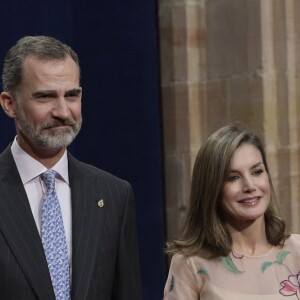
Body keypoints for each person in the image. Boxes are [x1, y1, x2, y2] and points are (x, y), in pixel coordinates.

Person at [0, 35, 142, 300]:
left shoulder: (114, 195)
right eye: (45, 97)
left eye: (72, 95)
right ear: (10, 104)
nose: (63, 111)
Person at [163, 123, 300, 299]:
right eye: (233, 177)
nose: (250, 186)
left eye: (257, 172)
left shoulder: (297, 252)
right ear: (213, 189)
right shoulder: (190, 264)